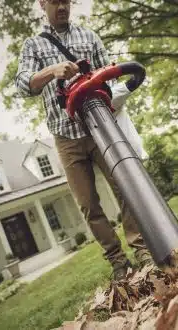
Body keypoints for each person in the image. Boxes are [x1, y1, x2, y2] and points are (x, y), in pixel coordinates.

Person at [15, 0, 152, 280]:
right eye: (55, 2)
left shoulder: (88, 36)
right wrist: (52, 71)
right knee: (88, 204)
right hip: (66, 137)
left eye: (66, 1)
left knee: (124, 186)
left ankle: (141, 247)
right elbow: (23, 83)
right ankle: (117, 261)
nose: (62, 6)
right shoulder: (33, 45)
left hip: (99, 126)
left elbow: (111, 76)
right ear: (43, 4)